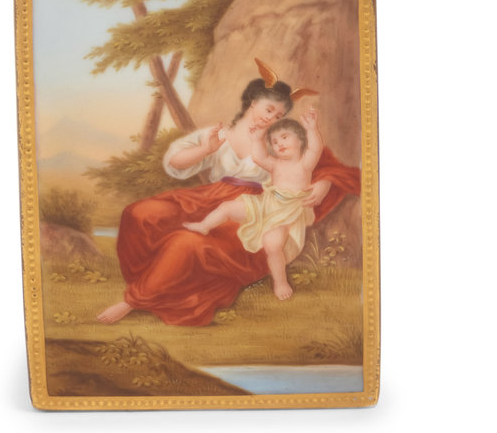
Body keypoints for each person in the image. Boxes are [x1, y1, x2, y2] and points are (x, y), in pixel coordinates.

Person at [97, 67, 360, 327]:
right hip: (210, 199)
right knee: (141, 213)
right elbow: (174, 162)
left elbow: (322, 164)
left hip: (257, 209)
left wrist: (324, 183)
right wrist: (205, 149)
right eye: (269, 109)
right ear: (253, 102)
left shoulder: (280, 142)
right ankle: (150, 278)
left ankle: (133, 301)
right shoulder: (221, 134)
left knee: (187, 243)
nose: (272, 117)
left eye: (278, 115)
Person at [182, 111, 322, 301]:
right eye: (274, 141)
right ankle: (204, 225)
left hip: (287, 212)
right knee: (227, 207)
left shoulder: (304, 163)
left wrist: (312, 129)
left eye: (284, 137)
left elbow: (315, 149)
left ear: (300, 140)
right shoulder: (275, 163)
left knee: (272, 244)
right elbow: (258, 157)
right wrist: (256, 139)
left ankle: (280, 282)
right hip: (266, 204)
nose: (279, 144)